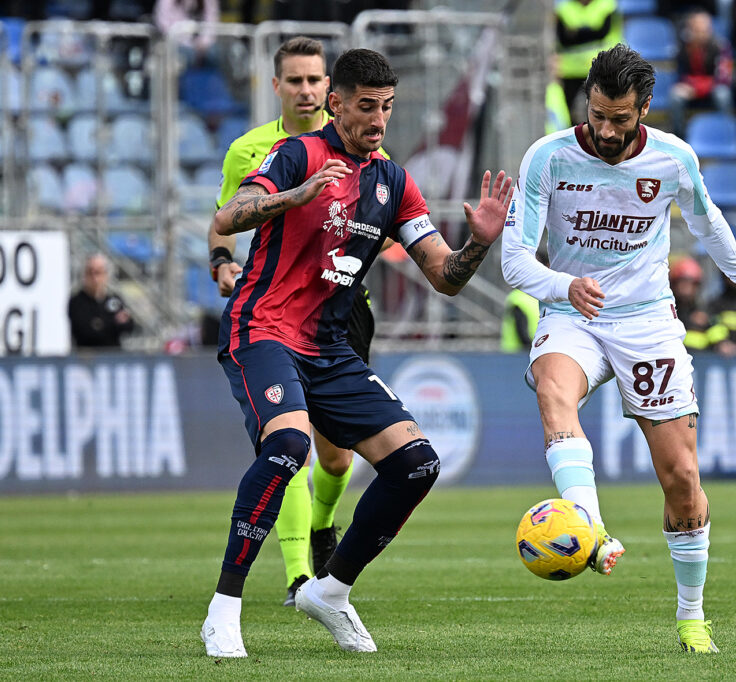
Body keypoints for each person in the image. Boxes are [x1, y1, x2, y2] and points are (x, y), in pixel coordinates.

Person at [201, 47, 513, 657]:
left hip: (330, 348)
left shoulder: (393, 182)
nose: (377, 120)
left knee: (417, 463)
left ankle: (331, 591)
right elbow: (229, 213)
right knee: (289, 445)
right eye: (366, 107)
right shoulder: (298, 154)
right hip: (261, 330)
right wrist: (294, 196)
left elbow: (444, 276)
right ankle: (225, 607)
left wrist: (479, 245)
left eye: (387, 108)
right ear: (336, 103)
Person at [501, 43, 736, 654]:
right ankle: (590, 529)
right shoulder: (547, 157)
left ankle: (691, 616)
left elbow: (709, 224)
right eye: (597, 114)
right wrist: (562, 285)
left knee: (681, 478)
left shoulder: (674, 159)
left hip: (647, 324)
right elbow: (516, 259)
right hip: (572, 312)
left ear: (644, 110)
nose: (605, 129)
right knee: (554, 391)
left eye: (620, 119)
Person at [208, 36, 376, 610]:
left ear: (332, 90)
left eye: (316, 80)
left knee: (335, 459)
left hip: (342, 310)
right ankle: (300, 574)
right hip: (275, 312)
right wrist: (223, 263)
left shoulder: (359, 138)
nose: (307, 89)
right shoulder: (250, 150)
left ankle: (324, 526)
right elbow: (223, 223)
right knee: (289, 444)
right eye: (296, 80)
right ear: (275, 86)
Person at [67, 253, 135, 348]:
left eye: (98, 273)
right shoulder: (77, 302)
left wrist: (102, 324)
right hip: (86, 357)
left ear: (106, 275)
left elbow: (129, 326)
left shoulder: (114, 300)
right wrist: (113, 323)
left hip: (113, 356)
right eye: (90, 273)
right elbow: (85, 332)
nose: (94, 278)